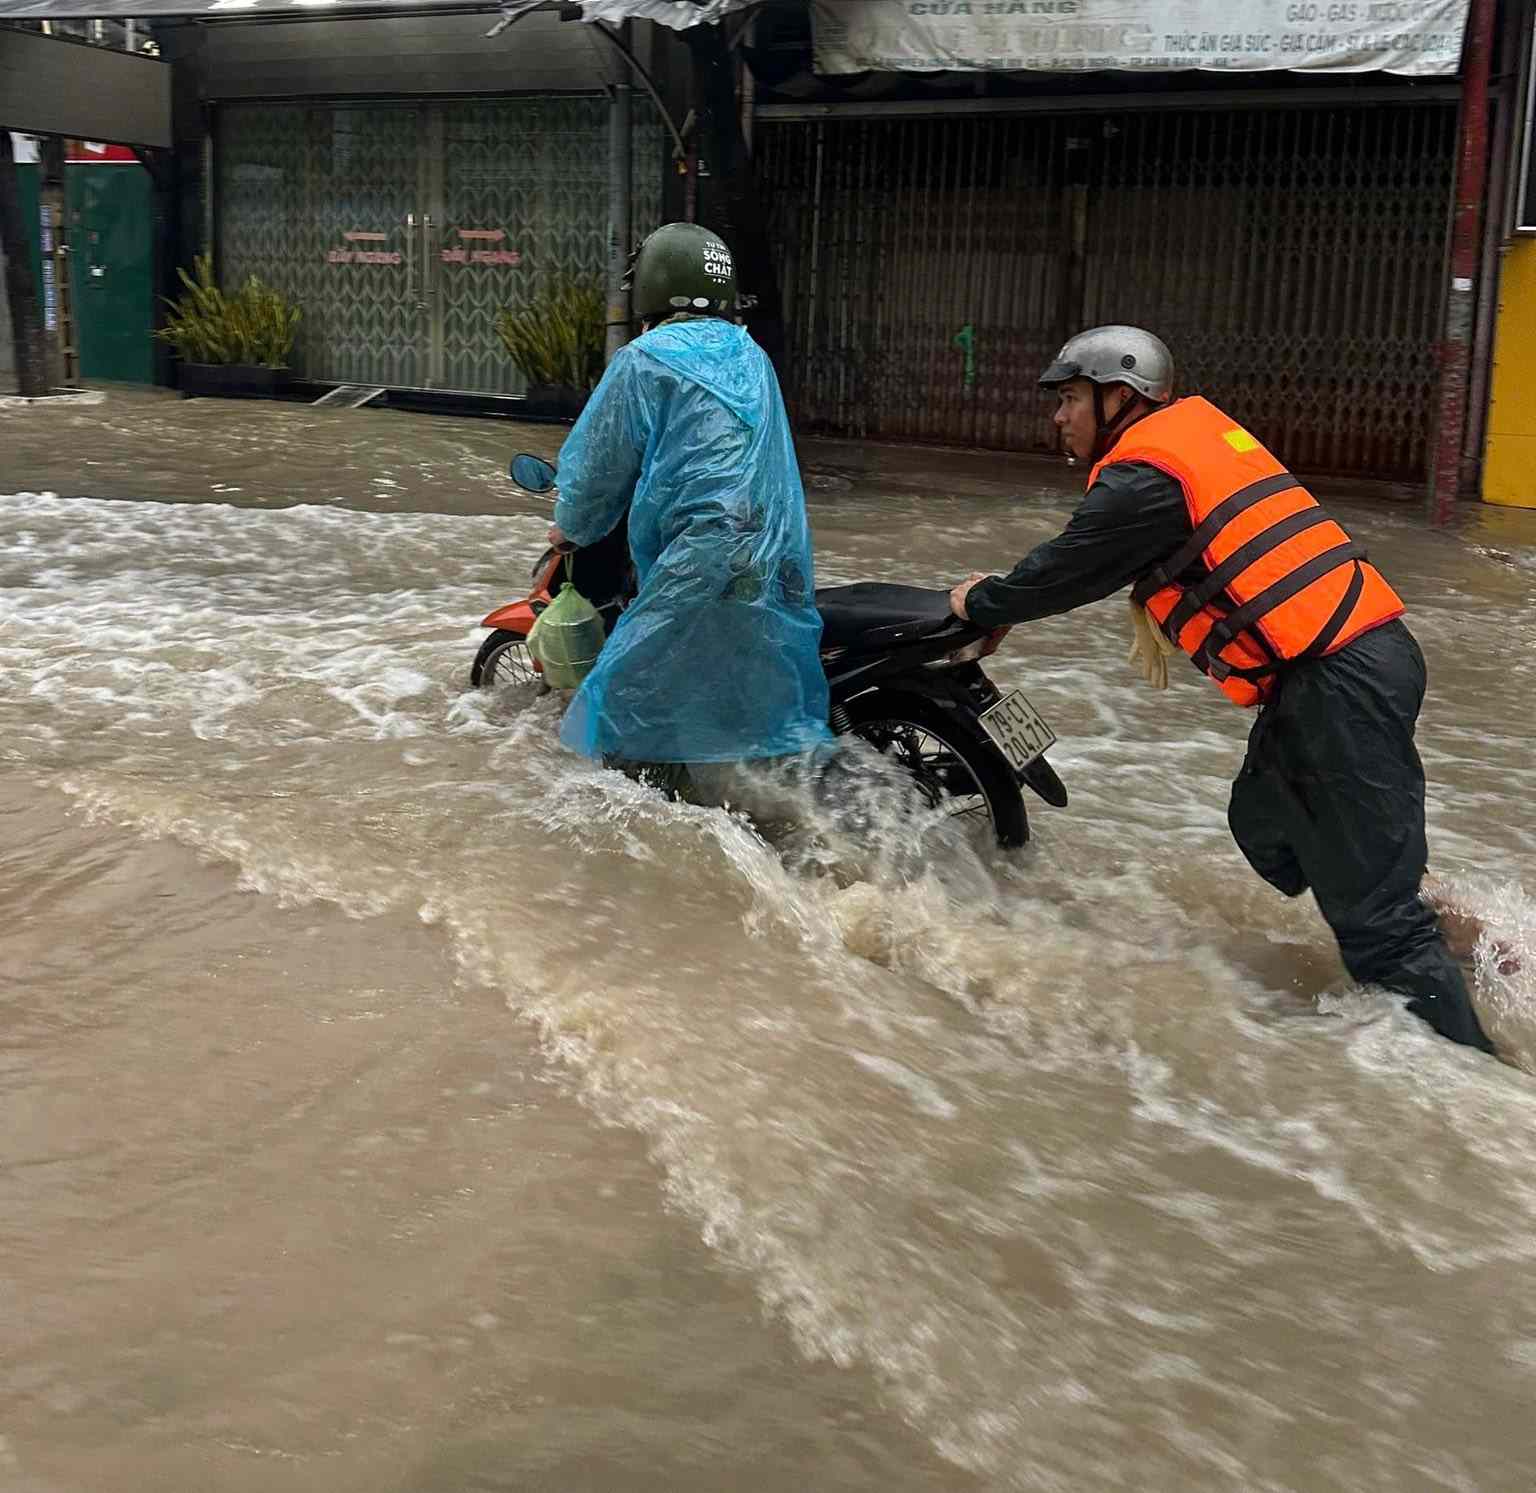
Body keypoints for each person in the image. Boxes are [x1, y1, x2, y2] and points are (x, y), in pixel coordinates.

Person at [949, 325, 1495, 1055]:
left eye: (1070, 398)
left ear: (1119, 398)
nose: (1058, 417)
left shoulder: (1143, 478)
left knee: (1378, 929)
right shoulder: (1192, 439)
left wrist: (981, 604)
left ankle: (1473, 1076)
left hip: (1337, 682)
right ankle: (1432, 913)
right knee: (1261, 821)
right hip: (1358, 662)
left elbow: (1066, 570)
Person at [546, 223, 830, 790]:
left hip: (701, 554)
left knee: (622, 701)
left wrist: (570, 528)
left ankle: (650, 820)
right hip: (774, 555)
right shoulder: (752, 356)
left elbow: (599, 466)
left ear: (650, 289)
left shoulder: (643, 360)